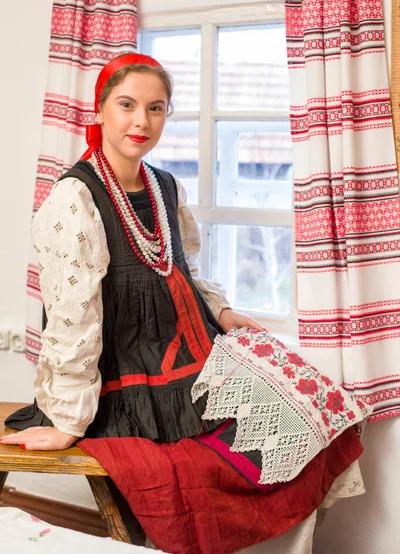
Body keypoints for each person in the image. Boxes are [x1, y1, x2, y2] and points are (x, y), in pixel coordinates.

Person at [1, 54, 364, 554]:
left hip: (189, 348)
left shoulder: (164, 184)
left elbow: (181, 269)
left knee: (317, 412)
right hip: (124, 368)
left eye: (156, 108)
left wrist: (221, 311)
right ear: (101, 109)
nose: (141, 121)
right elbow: (72, 316)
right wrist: (67, 419)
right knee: (206, 467)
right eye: (127, 105)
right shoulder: (75, 197)